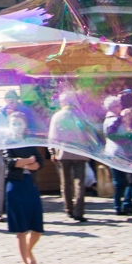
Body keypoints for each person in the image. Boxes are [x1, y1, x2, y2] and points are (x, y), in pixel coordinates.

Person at [2, 113, 44, 264]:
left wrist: (25, 162)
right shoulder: (8, 142)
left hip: (30, 185)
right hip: (15, 186)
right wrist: (28, 161)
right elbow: (11, 162)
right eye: (14, 124)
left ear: (25, 125)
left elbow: (39, 163)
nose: (17, 127)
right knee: (20, 229)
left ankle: (28, 250)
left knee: (37, 229)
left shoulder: (29, 142)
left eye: (20, 123)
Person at [48, 94, 88, 222]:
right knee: (79, 182)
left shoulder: (58, 116)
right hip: (79, 152)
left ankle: (69, 208)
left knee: (65, 182)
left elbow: (53, 136)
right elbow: (88, 133)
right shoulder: (80, 115)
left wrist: (52, 151)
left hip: (63, 152)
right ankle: (79, 211)